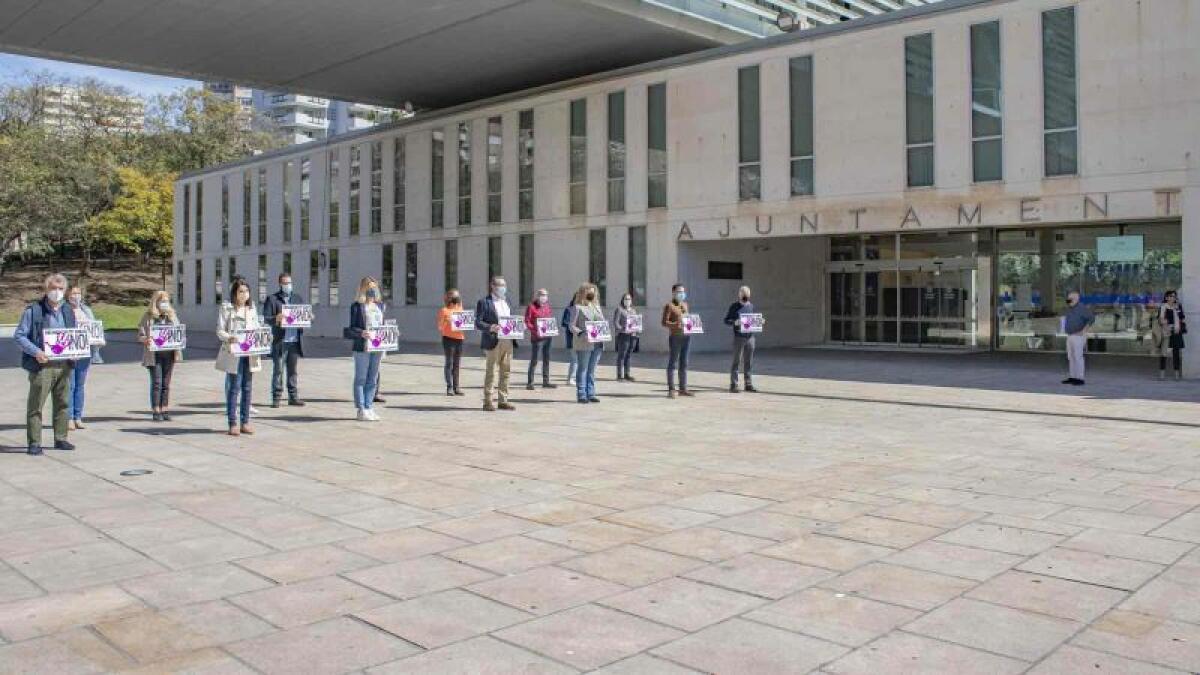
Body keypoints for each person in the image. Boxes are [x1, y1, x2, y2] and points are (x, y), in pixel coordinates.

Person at [14, 273, 77, 455]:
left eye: (60, 289)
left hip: (64, 365)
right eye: (53, 288)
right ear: (46, 290)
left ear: (65, 291)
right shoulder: (33, 311)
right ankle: (34, 442)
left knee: (63, 403)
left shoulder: (68, 310)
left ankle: (61, 438)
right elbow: (19, 336)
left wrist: (75, 352)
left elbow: (73, 335)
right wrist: (36, 352)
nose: (56, 292)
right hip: (43, 366)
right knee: (36, 406)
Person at [216, 278, 261, 435]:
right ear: (235, 293)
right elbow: (220, 330)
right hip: (234, 353)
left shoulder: (252, 309)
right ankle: (232, 423)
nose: (244, 294)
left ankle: (245, 422)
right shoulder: (227, 308)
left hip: (249, 353)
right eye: (241, 291)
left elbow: (257, 328)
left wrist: (263, 336)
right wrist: (229, 337)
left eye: (247, 291)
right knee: (234, 388)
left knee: (247, 388)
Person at [262, 273, 306, 408]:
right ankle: (276, 397)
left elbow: (303, 315)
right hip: (280, 340)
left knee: (292, 370)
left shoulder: (297, 298)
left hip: (294, 340)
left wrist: (309, 317)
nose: (288, 286)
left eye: (289, 283)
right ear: (280, 284)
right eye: (285, 283)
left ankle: (293, 397)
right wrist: (276, 318)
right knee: (278, 370)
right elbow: (266, 318)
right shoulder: (272, 299)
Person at [139, 290, 182, 422]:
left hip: (169, 354)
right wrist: (145, 339)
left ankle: (165, 407)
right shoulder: (148, 316)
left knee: (166, 383)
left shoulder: (172, 316)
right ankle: (156, 409)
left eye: (166, 301)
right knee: (157, 382)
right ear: (155, 302)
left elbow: (179, 332)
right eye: (161, 301)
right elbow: (140, 334)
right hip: (154, 354)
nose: (164, 303)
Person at [476, 276, 516, 411]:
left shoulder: (507, 301)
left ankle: (503, 400)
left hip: (508, 340)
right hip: (493, 340)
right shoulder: (484, 302)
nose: (503, 288)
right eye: (500, 285)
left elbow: (511, 319)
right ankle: (488, 401)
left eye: (504, 285)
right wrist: (490, 327)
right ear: (492, 286)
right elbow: (478, 322)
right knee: (491, 371)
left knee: (506, 371)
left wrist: (519, 327)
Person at [348, 277, 386, 421]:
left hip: (377, 346)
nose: (372, 290)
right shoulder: (357, 306)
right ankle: (361, 409)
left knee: (373, 378)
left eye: (374, 287)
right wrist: (361, 333)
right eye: (369, 287)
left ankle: (369, 407)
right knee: (361, 378)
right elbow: (351, 329)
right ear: (363, 288)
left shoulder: (380, 306)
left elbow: (382, 325)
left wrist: (391, 333)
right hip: (362, 347)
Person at [65, 286, 97, 429]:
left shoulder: (86, 310)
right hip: (70, 352)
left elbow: (94, 327)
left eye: (78, 293)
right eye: (73, 293)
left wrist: (98, 339)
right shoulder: (63, 310)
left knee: (80, 385)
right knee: (70, 385)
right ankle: (69, 417)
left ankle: (78, 416)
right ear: (67, 295)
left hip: (85, 352)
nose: (76, 296)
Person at [571, 283, 605, 403]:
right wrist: (581, 333)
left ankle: (591, 393)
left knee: (591, 370)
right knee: (583, 368)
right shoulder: (578, 307)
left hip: (597, 342)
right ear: (583, 293)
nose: (591, 294)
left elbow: (601, 323)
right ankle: (581, 394)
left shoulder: (597, 307)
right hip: (584, 342)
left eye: (593, 292)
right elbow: (572, 326)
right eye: (589, 292)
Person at [723, 285, 759, 393]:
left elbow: (753, 320)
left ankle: (748, 383)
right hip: (739, 337)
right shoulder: (734, 306)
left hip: (750, 337)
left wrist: (760, 321)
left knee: (749, 362)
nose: (745, 296)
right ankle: (733, 384)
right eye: (743, 294)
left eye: (747, 295)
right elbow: (726, 320)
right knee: (736, 361)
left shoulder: (751, 306)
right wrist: (735, 322)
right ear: (739, 295)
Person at [662, 283, 694, 398]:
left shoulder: (685, 305)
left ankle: (683, 388)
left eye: (683, 292)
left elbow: (688, 319)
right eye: (679, 292)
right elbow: (664, 322)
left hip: (686, 336)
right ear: (674, 293)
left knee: (684, 363)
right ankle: (671, 389)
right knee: (673, 362)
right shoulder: (669, 306)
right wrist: (676, 324)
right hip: (675, 337)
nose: (682, 294)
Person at [524, 288, 557, 390]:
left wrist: (552, 328)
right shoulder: (531, 307)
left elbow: (549, 319)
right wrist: (535, 330)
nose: (544, 297)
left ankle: (545, 381)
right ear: (537, 296)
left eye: (545, 295)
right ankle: (530, 382)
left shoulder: (547, 306)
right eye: (542, 295)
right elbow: (527, 321)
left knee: (546, 359)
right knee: (534, 359)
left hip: (547, 337)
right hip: (537, 338)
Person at [438, 289, 467, 396]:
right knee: (449, 363)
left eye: (458, 296)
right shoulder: (444, 310)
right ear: (449, 297)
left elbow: (464, 322)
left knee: (457, 363)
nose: (457, 298)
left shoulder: (460, 309)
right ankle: (449, 387)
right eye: (455, 296)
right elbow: (440, 327)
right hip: (448, 339)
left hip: (459, 338)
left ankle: (456, 387)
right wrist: (446, 321)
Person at [1062, 291, 1094, 386]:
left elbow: (1091, 319)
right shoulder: (1069, 309)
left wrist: (1083, 331)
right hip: (1070, 335)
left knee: (1078, 357)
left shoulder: (1082, 308)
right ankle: (1073, 377)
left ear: (1076, 299)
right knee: (1071, 357)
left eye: (1070, 299)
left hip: (1078, 336)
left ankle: (1080, 378)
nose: (1068, 301)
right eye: (1068, 298)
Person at [1158, 289, 1185, 380]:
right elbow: (1160, 319)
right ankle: (1162, 374)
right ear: (1166, 297)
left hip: (1176, 331)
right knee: (1163, 353)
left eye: (1174, 296)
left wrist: (1177, 309)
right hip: (1166, 331)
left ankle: (1176, 374)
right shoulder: (1163, 307)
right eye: (1171, 296)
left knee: (1176, 352)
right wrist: (1166, 326)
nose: (1173, 298)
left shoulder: (1178, 306)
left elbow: (1182, 317)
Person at [613, 291, 639, 381]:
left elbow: (636, 322)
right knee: (622, 355)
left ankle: (627, 374)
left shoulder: (633, 310)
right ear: (623, 300)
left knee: (629, 355)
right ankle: (619, 375)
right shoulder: (619, 310)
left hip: (632, 335)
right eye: (626, 299)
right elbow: (616, 323)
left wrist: (637, 328)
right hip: (623, 336)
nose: (628, 301)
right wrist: (622, 329)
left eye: (629, 299)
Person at [562, 297, 578, 385]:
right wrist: (572, 326)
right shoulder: (569, 309)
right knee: (574, 359)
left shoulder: (584, 309)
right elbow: (564, 322)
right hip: (572, 338)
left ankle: (576, 377)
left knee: (580, 359)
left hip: (581, 339)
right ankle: (570, 378)